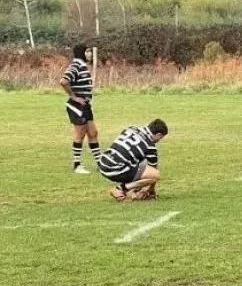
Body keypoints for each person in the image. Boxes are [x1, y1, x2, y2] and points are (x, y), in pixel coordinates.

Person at [99, 119, 168, 202]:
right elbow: (153, 171)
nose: (159, 140)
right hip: (116, 169)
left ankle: (130, 191)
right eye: (160, 138)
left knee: (138, 164)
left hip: (104, 163)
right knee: (154, 175)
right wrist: (151, 189)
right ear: (159, 134)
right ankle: (120, 189)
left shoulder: (131, 128)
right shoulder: (150, 145)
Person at [60, 44, 101, 174]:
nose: (90, 54)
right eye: (88, 52)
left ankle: (100, 163)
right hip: (77, 106)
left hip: (86, 105)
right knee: (80, 134)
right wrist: (73, 96)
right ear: (82, 53)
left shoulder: (83, 66)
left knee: (93, 133)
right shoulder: (75, 65)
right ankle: (77, 165)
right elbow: (63, 81)